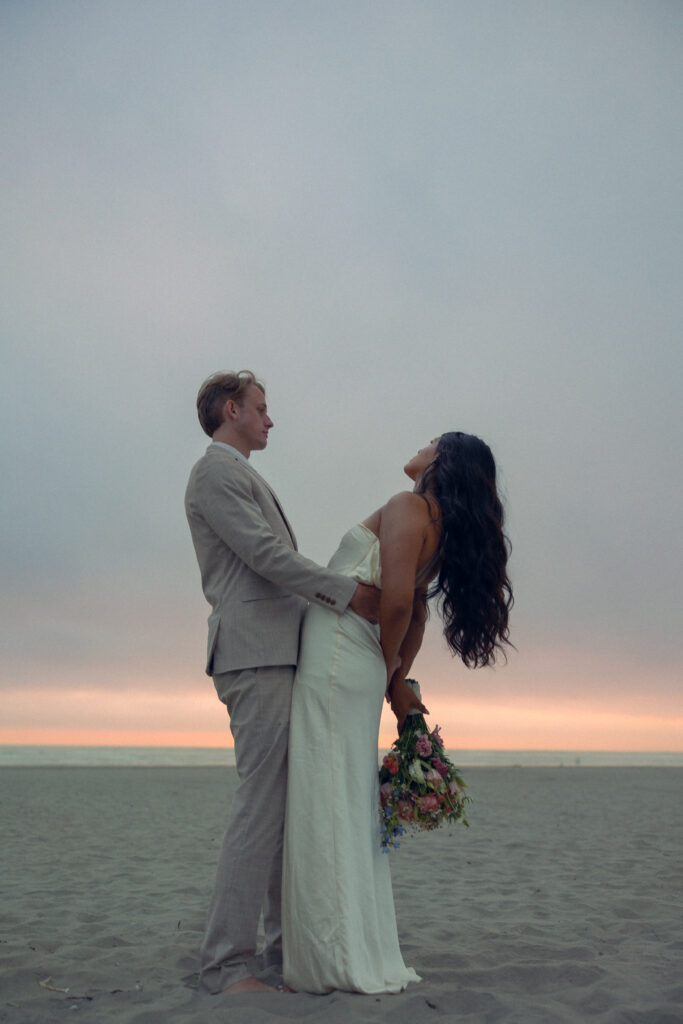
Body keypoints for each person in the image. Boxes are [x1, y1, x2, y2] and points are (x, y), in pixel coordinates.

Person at [282, 431, 513, 994]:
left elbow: (398, 603)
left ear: (442, 461)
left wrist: (390, 675)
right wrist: (396, 677)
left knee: (326, 793)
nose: (420, 443)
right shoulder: (435, 525)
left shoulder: (408, 505)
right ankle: (349, 945)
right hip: (358, 660)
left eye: (431, 440)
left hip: (341, 652)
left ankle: (333, 956)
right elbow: (414, 616)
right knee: (344, 795)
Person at [184, 370, 380, 995]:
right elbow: (264, 555)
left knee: (285, 811)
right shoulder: (214, 472)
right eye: (262, 409)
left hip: (278, 651)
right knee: (261, 808)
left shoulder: (243, 473)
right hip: (254, 654)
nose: (271, 420)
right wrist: (349, 595)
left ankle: (276, 949)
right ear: (230, 409)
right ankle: (226, 966)